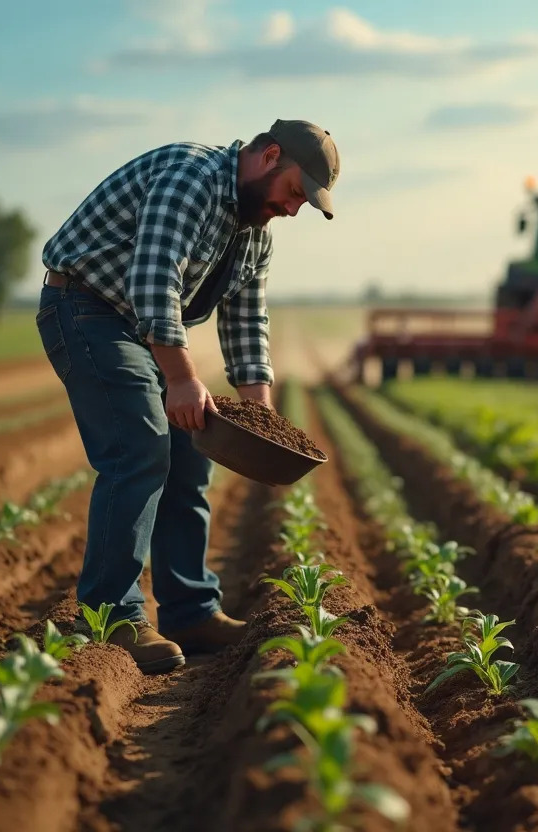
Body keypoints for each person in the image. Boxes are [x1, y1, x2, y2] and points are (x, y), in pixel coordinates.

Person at [34, 119, 340, 673]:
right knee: (140, 448)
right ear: (269, 156)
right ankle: (109, 618)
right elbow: (154, 279)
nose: (294, 209)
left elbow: (247, 321)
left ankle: (191, 611)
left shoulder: (255, 232)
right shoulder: (191, 178)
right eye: (295, 192)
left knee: (192, 452)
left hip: (136, 324)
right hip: (87, 309)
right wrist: (180, 377)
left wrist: (259, 411)